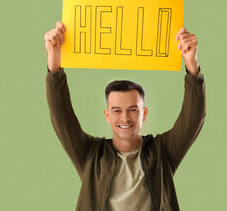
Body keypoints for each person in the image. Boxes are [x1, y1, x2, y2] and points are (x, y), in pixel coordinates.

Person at [45, 21, 206, 211]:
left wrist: (192, 66)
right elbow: (62, 118)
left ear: (143, 113)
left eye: (132, 109)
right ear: (107, 115)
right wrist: (54, 65)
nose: (125, 118)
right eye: (116, 110)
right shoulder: (90, 155)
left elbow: (194, 118)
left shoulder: (162, 152)